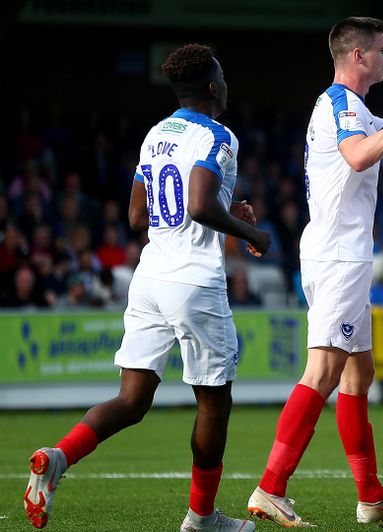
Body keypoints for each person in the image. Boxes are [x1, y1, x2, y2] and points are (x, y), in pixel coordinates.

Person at [23, 43, 270, 531]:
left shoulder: (156, 133)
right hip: (194, 281)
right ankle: (202, 518)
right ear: (213, 87)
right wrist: (251, 232)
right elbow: (198, 205)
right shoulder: (219, 135)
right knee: (214, 401)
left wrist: (224, 209)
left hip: (151, 276)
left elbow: (139, 215)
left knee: (132, 399)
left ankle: (59, 457)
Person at [247, 17, 383, 528]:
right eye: (382, 49)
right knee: (323, 371)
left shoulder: (355, 109)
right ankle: (271, 486)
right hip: (337, 255)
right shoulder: (339, 104)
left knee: (359, 372)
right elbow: (358, 156)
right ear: (356, 55)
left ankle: (370, 495)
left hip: (342, 252)